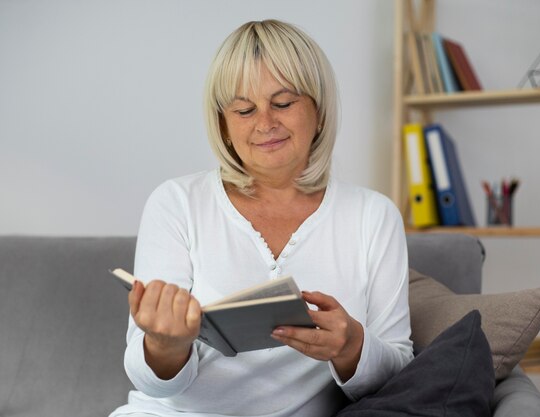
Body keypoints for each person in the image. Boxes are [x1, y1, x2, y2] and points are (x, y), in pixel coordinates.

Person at [109, 19, 413, 417]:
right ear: (224, 124)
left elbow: (401, 373)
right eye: (244, 109)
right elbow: (147, 381)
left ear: (318, 110)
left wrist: (352, 345)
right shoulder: (177, 202)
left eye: (283, 103)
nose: (265, 123)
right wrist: (166, 344)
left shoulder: (374, 217)